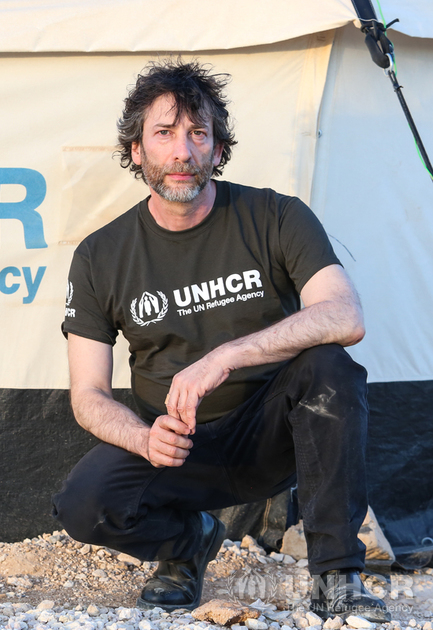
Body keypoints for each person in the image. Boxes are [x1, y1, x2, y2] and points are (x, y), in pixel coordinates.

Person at [52, 59, 389, 622]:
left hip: (273, 435)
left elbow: (345, 314)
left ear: (218, 150)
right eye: (164, 134)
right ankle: (184, 545)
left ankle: (336, 577)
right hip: (176, 443)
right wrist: (141, 441)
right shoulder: (99, 255)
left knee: (329, 366)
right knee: (83, 505)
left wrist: (227, 356)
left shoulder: (275, 215)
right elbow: (87, 393)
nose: (182, 151)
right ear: (136, 151)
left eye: (198, 134)